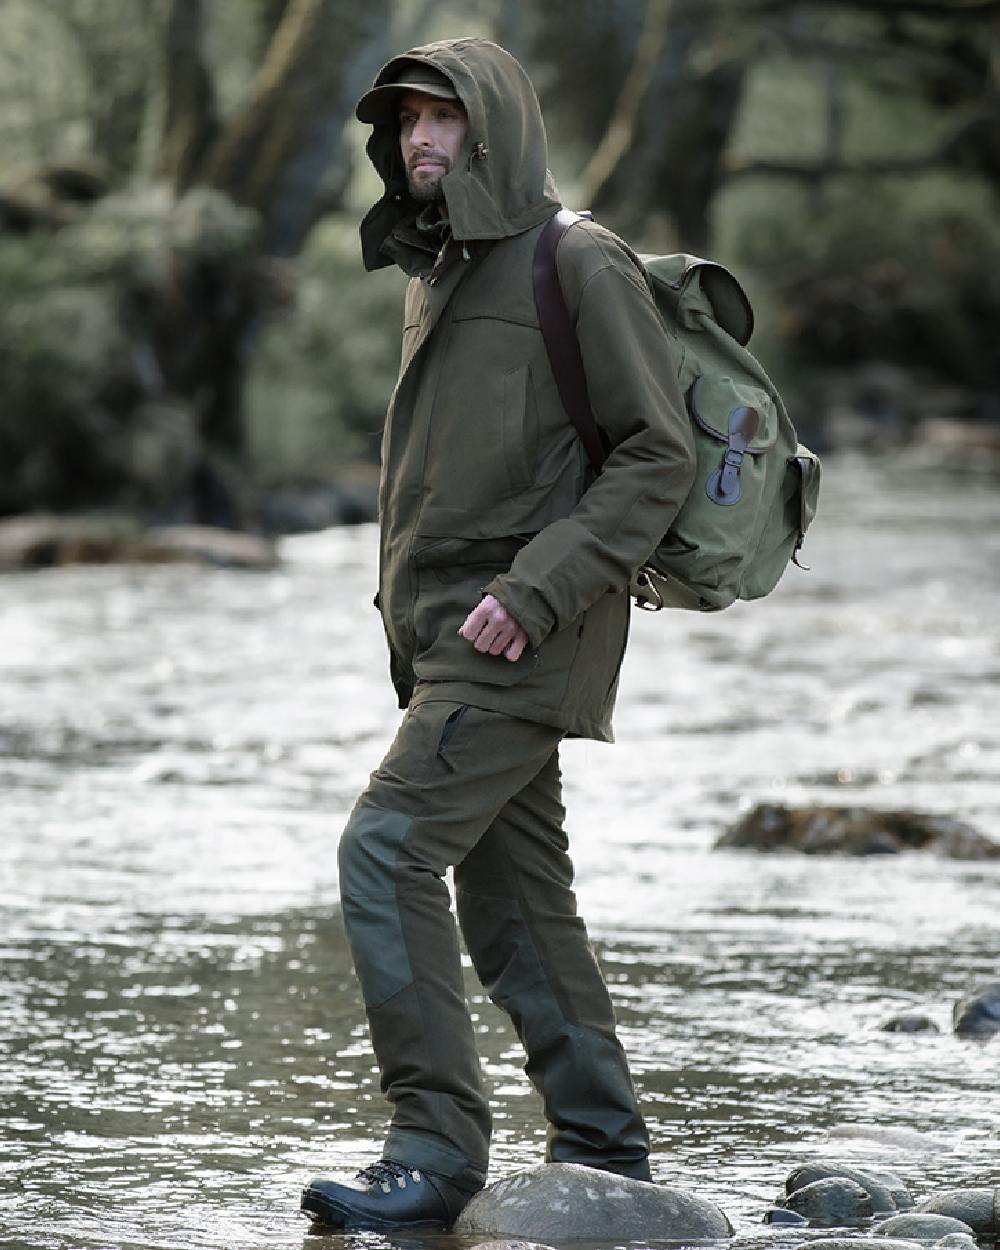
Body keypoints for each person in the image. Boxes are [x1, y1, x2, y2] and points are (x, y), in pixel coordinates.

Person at [300, 37, 696, 1231]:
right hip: (447, 639)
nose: (420, 138)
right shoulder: (437, 269)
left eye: (444, 119)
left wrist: (532, 592)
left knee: (384, 850)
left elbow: (658, 455)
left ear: (496, 130)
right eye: (406, 120)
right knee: (514, 895)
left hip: (528, 628)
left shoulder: (578, 262)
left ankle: (431, 1147)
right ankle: (603, 1141)